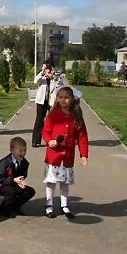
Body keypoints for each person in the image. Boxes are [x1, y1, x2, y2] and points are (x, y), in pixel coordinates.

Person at [42, 86, 89, 219]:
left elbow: (82, 137)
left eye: (66, 97)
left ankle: (64, 205)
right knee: (51, 181)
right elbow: (46, 132)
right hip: (53, 157)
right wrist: (49, 141)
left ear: (72, 99)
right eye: (60, 97)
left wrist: (84, 154)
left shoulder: (76, 117)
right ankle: (49, 204)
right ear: (56, 99)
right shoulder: (53, 115)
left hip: (68, 157)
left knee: (64, 182)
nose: (63, 100)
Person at [0, 136, 36, 218]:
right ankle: (4, 209)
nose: (23, 153)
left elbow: (23, 174)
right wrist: (14, 180)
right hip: (1, 185)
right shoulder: (4, 162)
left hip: (14, 183)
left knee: (29, 192)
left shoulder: (24, 162)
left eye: (24, 150)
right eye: (20, 151)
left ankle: (14, 207)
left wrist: (21, 181)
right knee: (13, 191)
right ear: (12, 150)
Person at [32, 62, 54, 147]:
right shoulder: (42, 77)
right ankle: (35, 141)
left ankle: (51, 139)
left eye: (48, 68)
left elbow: (60, 85)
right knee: (39, 120)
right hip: (42, 101)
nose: (47, 70)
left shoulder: (54, 76)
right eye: (45, 68)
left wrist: (54, 77)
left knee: (52, 121)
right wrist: (42, 73)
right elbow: (35, 81)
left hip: (51, 101)